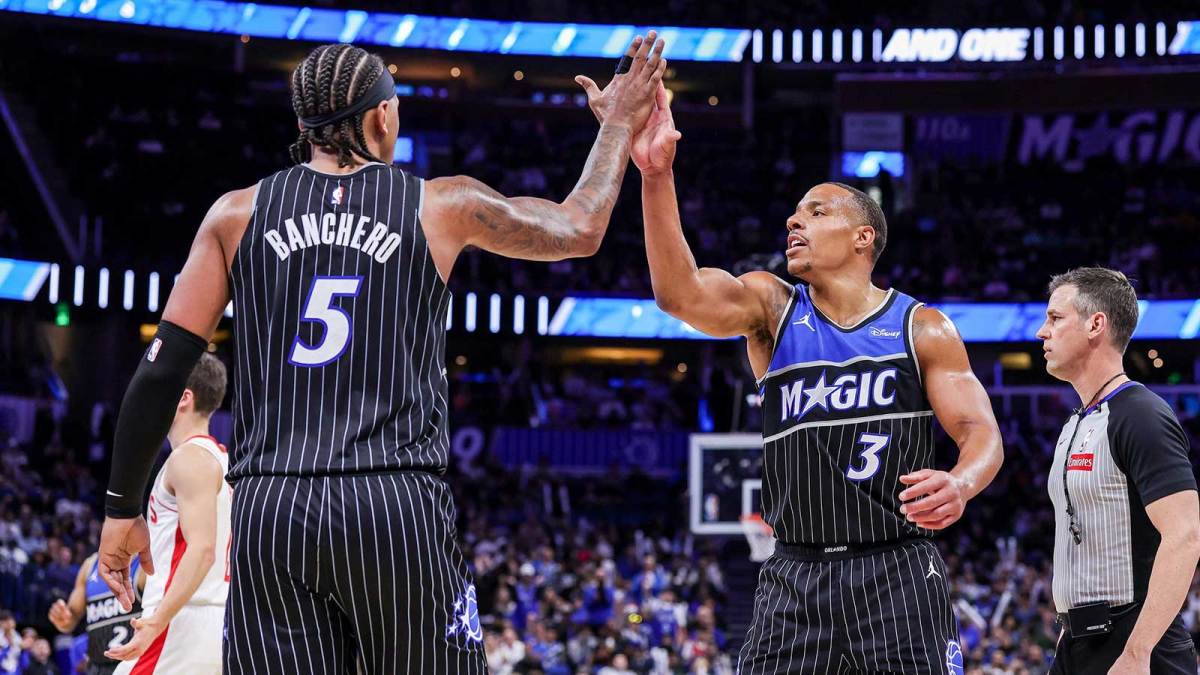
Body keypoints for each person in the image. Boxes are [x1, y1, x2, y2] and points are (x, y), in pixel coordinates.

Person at [97, 35, 667, 674]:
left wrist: (121, 507)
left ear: (303, 123)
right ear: (383, 116)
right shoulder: (439, 205)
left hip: (273, 509)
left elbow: (162, 368)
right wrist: (618, 125)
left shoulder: (236, 215)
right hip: (392, 501)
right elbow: (580, 228)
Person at [579, 81, 1004, 673]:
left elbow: (981, 432)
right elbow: (679, 295)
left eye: (816, 211)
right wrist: (655, 176)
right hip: (794, 575)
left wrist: (961, 484)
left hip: (898, 568)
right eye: (795, 213)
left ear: (864, 238)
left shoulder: (922, 327)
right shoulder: (772, 308)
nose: (793, 220)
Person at [1036, 267, 1200, 673]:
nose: (1043, 331)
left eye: (1055, 318)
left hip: (1135, 644)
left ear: (1096, 324)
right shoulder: (1077, 421)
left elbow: (1185, 534)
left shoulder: (1141, 414)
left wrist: (1137, 652)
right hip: (1078, 643)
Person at [101, 352, 231, 674]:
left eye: (164, 389)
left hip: (179, 622)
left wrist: (157, 621)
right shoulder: (224, 460)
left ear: (184, 398)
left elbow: (202, 550)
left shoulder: (189, 459)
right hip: (211, 621)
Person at [47, 552, 143, 675]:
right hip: (97, 667)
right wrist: (62, 619)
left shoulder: (144, 561)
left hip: (136, 665)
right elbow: (71, 619)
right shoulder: (90, 565)